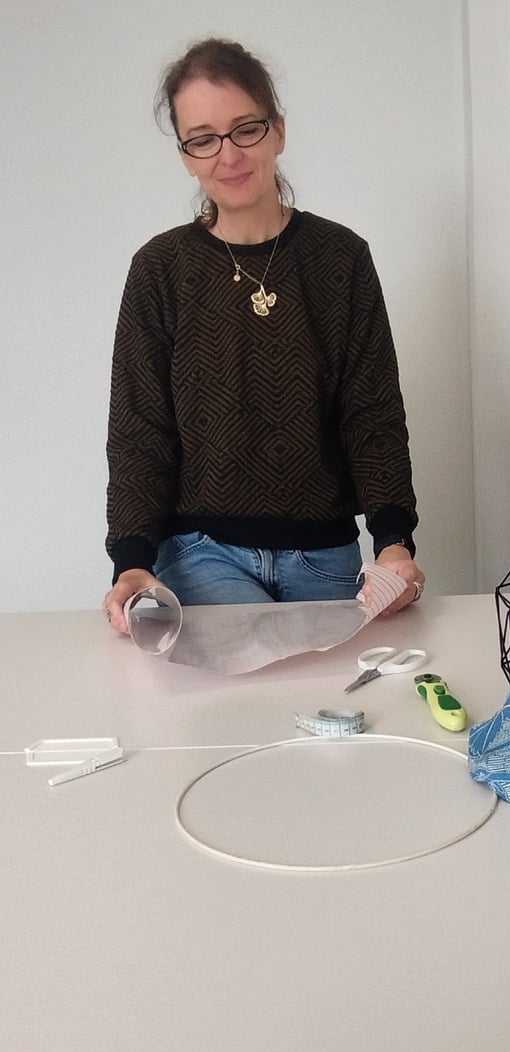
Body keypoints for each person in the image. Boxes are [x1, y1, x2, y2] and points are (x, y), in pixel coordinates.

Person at [103, 37, 425, 633]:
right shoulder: (161, 267)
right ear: (186, 155)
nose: (228, 154)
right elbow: (140, 428)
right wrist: (131, 560)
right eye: (203, 138)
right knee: (240, 705)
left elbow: (372, 410)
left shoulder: (341, 258)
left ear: (278, 130)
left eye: (244, 128)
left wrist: (393, 543)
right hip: (201, 553)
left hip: (325, 556)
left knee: (333, 714)